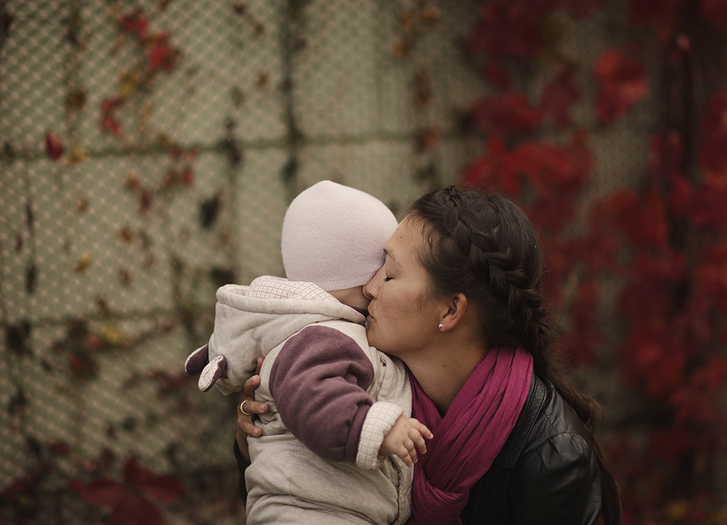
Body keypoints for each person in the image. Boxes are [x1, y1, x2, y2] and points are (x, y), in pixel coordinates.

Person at [236, 185, 622, 525]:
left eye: (389, 274)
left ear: (450, 311)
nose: (369, 288)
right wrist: (260, 438)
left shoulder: (552, 458)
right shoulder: (361, 380)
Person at [189, 180, 431, 525]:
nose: (382, 282)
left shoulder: (314, 330)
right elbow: (312, 394)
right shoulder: (325, 336)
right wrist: (376, 426)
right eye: (384, 267)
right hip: (309, 511)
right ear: (364, 278)